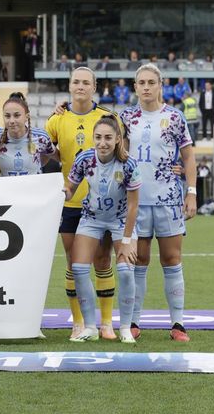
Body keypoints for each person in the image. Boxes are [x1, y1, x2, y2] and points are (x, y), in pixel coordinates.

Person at [120, 63, 196, 342]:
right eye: (141, 83)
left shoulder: (175, 117)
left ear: (160, 85)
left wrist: (191, 192)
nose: (147, 87)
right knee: (138, 261)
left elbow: (188, 157)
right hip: (135, 202)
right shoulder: (126, 117)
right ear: (135, 87)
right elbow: (115, 149)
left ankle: (178, 323)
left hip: (168, 199)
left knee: (172, 259)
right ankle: (135, 322)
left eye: (152, 82)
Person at [47, 66, 120, 339]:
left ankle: (107, 323)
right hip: (69, 202)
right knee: (72, 262)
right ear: (69, 86)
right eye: (76, 82)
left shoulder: (108, 118)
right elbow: (45, 156)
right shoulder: (56, 120)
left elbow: (122, 156)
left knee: (102, 260)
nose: (80, 86)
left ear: (94, 87)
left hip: (104, 206)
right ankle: (77, 322)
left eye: (85, 82)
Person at [63, 115, 141, 344]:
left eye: (108, 137)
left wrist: (127, 239)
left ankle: (125, 327)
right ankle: (90, 327)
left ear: (118, 139)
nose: (102, 142)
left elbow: (134, 205)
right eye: (98, 137)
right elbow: (70, 188)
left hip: (120, 220)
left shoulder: (129, 164)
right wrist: (59, 193)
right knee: (78, 268)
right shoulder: (85, 159)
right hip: (92, 218)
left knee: (126, 269)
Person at [0, 92, 56, 176]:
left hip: (34, 188)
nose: (12, 121)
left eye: (17, 115)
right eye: (7, 116)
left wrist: (39, 164)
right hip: (6, 189)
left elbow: (55, 155)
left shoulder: (41, 137)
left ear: (26, 116)